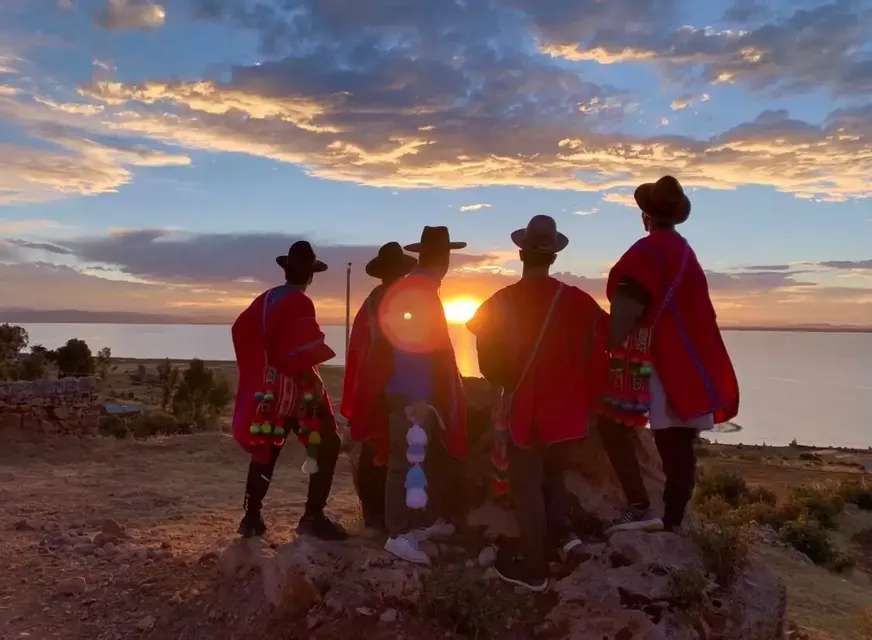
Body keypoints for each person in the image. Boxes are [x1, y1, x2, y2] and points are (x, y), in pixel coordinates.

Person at [467, 215, 608, 591]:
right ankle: (563, 541)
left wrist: (504, 380)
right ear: (554, 258)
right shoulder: (577, 301)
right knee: (554, 477)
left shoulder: (502, 301)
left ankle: (534, 569)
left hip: (526, 410)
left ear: (520, 253)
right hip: (568, 413)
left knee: (526, 484)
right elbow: (605, 339)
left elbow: (483, 352)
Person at [600, 176, 739, 534]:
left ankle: (642, 506)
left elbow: (624, 317)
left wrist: (604, 342)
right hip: (692, 362)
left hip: (659, 361)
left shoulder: (646, 253)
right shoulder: (684, 253)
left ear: (645, 216)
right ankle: (673, 518)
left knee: (614, 423)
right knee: (682, 444)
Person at [231, 241, 348, 541]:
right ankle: (313, 515)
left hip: (268, 390)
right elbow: (302, 350)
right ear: (311, 276)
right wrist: (311, 376)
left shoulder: (267, 298)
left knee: (266, 446)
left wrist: (260, 368)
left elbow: (240, 329)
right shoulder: (299, 301)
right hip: (296, 390)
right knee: (328, 441)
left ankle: (252, 517)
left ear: (286, 271)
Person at [375, 226, 469, 565]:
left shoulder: (417, 287)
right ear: (443, 259)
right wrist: (417, 397)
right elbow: (409, 345)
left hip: (416, 393)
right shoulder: (418, 290)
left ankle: (416, 525)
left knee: (418, 461)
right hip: (409, 394)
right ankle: (397, 535)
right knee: (403, 463)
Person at [342, 242, 417, 530]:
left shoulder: (371, 299)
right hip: (389, 383)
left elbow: (360, 346)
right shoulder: (398, 299)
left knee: (375, 447)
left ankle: (373, 513)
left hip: (371, 382)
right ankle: (387, 516)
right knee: (390, 451)